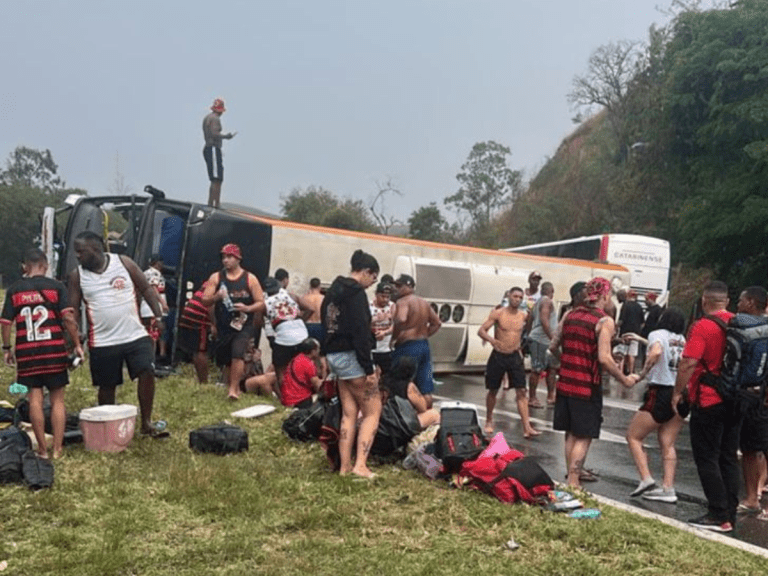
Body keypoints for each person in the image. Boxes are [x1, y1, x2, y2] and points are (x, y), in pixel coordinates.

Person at [67, 231, 168, 437]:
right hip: (103, 340)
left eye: (80, 251)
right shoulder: (77, 276)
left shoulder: (123, 263)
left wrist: (158, 316)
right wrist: (73, 339)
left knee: (147, 372)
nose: (77, 256)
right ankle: (107, 426)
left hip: (134, 334)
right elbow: (73, 310)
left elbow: (147, 289)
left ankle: (146, 423)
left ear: (95, 249)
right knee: (107, 386)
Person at [551, 277, 638, 488]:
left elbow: (553, 346)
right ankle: (573, 480)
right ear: (606, 296)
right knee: (584, 435)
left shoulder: (569, 315)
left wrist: (568, 359)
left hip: (565, 384)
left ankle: (571, 478)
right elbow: (604, 358)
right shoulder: (604, 321)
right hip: (586, 386)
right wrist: (625, 378)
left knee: (570, 433)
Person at [1, 248, 83, 459]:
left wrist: (7, 348)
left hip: (27, 353)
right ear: (45, 266)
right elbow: (68, 319)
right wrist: (76, 344)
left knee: (35, 399)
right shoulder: (56, 287)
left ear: (25, 267)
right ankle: (57, 448)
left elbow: (6, 322)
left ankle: (42, 450)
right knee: (58, 400)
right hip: (54, 350)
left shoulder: (15, 290)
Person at [671, 281, 738, 532]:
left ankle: (717, 514)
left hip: (709, 398)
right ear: (727, 302)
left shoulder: (703, 326)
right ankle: (730, 510)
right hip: (735, 398)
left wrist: (678, 393)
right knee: (728, 456)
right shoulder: (739, 323)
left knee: (707, 456)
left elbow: (689, 363)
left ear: (703, 301)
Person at [321, 249, 381, 479]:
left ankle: (345, 467)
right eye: (373, 278)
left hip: (335, 355)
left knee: (349, 412)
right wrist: (369, 368)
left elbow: (326, 322)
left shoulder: (333, 291)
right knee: (372, 411)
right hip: (352, 356)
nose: (371, 284)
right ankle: (361, 465)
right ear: (366, 272)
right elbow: (360, 332)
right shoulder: (355, 294)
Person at [626, 307, 687, 503]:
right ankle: (668, 487)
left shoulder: (656, 334)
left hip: (660, 389)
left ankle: (646, 478)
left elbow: (657, 351)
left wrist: (642, 374)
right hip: (679, 392)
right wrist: (640, 339)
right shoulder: (682, 340)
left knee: (634, 436)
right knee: (668, 443)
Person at [201, 243, 265, 401]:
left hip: (243, 324)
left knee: (238, 354)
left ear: (238, 259)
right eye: (223, 257)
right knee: (226, 357)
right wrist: (216, 297)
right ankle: (231, 384)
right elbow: (205, 300)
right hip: (224, 324)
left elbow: (261, 302)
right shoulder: (216, 277)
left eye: (229, 257)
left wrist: (248, 308)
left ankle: (233, 389)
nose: (225, 260)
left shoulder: (250, 278)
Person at [478, 286, 540, 439]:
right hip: (499, 355)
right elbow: (482, 330)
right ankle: (489, 419)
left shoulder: (523, 315)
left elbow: (528, 328)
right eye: (515, 296)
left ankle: (527, 426)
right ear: (509, 296)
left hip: (514, 356)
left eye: (520, 297)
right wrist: (492, 340)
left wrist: (523, 344)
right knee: (493, 390)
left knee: (521, 391)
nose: (517, 299)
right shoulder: (498, 313)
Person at [732, 286, 768, 519]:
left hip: (753, 395)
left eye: (741, 300)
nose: (738, 303)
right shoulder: (754, 328)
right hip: (752, 394)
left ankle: (755, 500)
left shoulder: (746, 326)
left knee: (759, 447)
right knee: (750, 449)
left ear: (752, 302)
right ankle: (751, 499)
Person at [372, 356, 441, 456]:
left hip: (380, 426)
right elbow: (423, 408)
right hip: (400, 425)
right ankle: (424, 446)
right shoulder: (409, 386)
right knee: (434, 414)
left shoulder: (382, 381)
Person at [390, 274, 442, 407]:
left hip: (407, 347)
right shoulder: (424, 302)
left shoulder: (403, 302)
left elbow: (401, 319)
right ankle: (428, 415)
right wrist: (424, 334)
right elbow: (437, 323)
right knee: (425, 387)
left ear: (409, 286)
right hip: (423, 345)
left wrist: (395, 335)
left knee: (401, 385)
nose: (396, 289)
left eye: (399, 286)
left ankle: (404, 415)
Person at [264, 276, 309, 392]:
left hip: (283, 338)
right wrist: (300, 321)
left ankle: (286, 399)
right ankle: (303, 395)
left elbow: (257, 322)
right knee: (302, 368)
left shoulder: (264, 303)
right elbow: (310, 308)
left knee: (281, 371)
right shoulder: (291, 296)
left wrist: (270, 332)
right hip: (302, 335)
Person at [177, 281, 216, 383]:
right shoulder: (220, 282)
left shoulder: (212, 280)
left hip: (189, 312)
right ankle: (203, 382)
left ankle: (200, 378)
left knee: (196, 350)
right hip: (199, 317)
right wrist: (214, 324)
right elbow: (211, 303)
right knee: (201, 351)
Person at [527, 281, 558, 408]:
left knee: (551, 369)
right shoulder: (546, 302)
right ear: (552, 291)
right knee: (537, 369)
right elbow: (544, 320)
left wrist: (529, 334)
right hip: (541, 340)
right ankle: (532, 398)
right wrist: (552, 338)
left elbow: (529, 319)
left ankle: (551, 396)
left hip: (540, 339)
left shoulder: (537, 302)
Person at [202, 97, 236, 208]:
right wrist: (226, 136)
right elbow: (214, 133)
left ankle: (212, 203)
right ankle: (215, 204)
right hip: (213, 148)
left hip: (209, 148)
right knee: (217, 179)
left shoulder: (207, 117)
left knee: (215, 178)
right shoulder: (215, 119)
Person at [139, 254, 169, 360]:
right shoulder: (154, 273)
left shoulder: (145, 273)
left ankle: (152, 357)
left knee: (149, 332)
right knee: (153, 334)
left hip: (145, 307)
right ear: (157, 263)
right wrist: (163, 303)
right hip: (152, 308)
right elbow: (154, 288)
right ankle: (151, 358)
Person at [280, 338, 324, 409]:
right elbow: (317, 385)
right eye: (318, 349)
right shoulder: (308, 364)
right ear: (313, 351)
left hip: (287, 399)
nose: (319, 351)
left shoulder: (297, 358)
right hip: (300, 400)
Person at [618, 290, 645, 375]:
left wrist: (617, 328)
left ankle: (620, 372)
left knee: (622, 354)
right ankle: (631, 372)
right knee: (632, 354)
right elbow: (642, 323)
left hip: (624, 333)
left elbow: (621, 320)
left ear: (628, 296)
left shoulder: (625, 305)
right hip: (635, 334)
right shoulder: (639, 307)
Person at [370, 282, 395, 375]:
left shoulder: (392, 306)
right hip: (372, 348)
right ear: (376, 294)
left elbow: (396, 326)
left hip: (386, 348)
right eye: (382, 296)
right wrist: (375, 319)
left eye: (388, 297)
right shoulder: (369, 306)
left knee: (387, 376)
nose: (385, 299)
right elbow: (361, 325)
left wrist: (385, 332)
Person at [300, 277, 324, 341]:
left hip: (306, 325)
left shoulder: (304, 298)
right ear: (319, 286)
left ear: (310, 286)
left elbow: (300, 313)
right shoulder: (323, 298)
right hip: (319, 325)